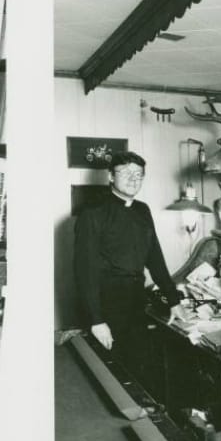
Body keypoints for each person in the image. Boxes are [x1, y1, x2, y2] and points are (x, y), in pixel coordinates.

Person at [74, 151, 180, 384]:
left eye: (139, 175)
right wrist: (96, 320)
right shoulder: (93, 213)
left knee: (137, 368)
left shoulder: (143, 210)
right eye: (126, 173)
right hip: (104, 304)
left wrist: (173, 299)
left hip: (135, 300)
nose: (134, 179)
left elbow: (155, 258)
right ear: (110, 176)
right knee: (109, 374)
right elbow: (85, 271)